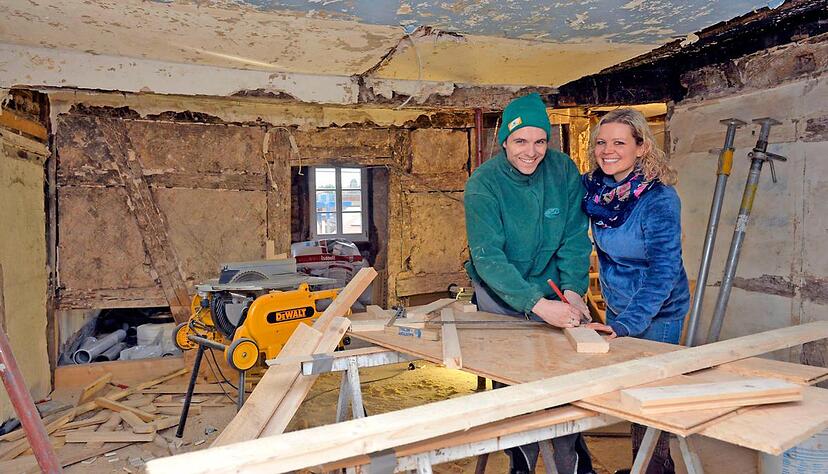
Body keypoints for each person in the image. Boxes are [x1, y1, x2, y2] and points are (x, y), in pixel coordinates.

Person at [464, 93, 595, 474]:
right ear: (504, 140)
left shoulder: (563, 170)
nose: (531, 152)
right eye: (521, 141)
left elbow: (574, 235)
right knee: (513, 378)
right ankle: (521, 461)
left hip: (554, 286)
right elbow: (488, 257)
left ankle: (571, 458)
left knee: (564, 372)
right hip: (502, 291)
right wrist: (536, 305)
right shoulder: (483, 183)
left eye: (540, 142)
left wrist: (572, 290)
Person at [581, 108, 690, 474]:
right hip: (619, 307)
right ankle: (643, 467)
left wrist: (627, 323)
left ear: (641, 147)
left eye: (619, 143)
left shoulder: (658, 199)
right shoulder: (597, 190)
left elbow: (664, 271)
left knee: (650, 398)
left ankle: (656, 470)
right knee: (631, 391)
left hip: (656, 312)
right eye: (601, 142)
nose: (607, 150)